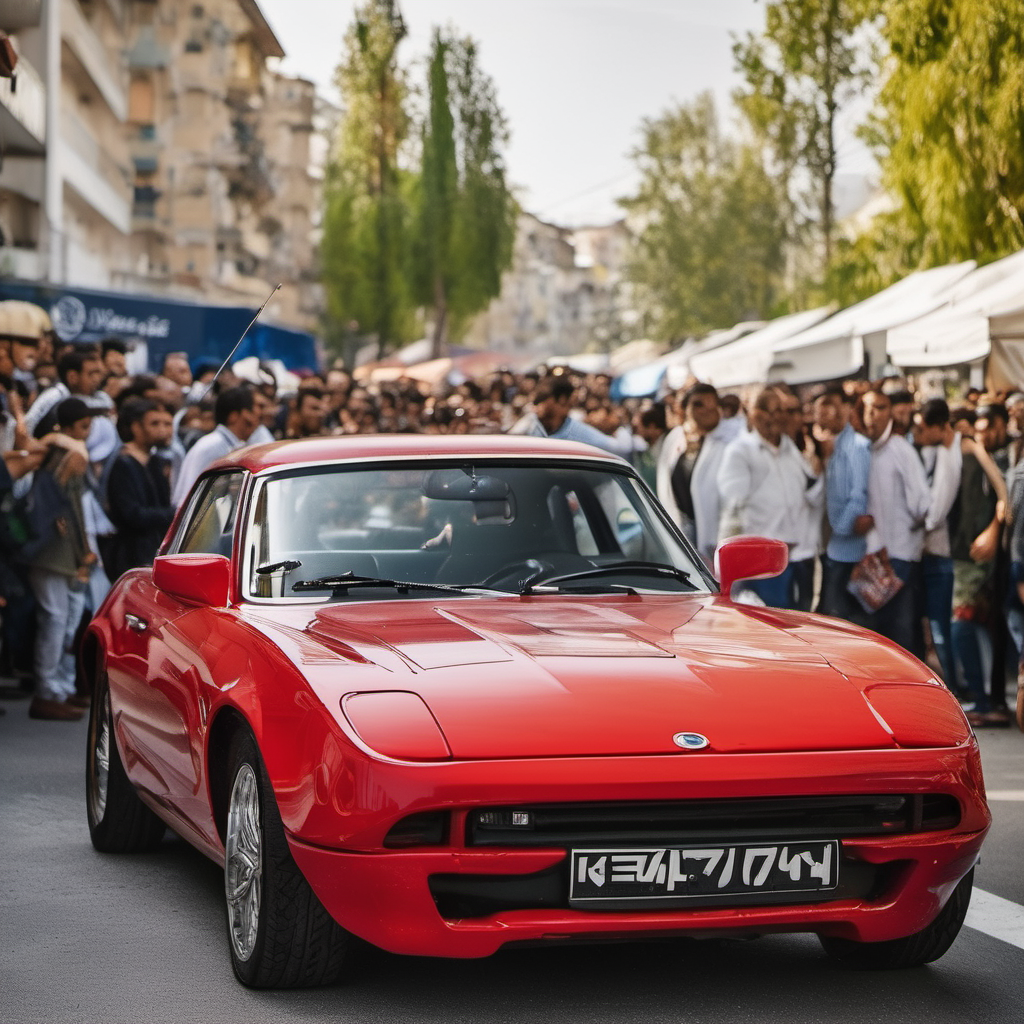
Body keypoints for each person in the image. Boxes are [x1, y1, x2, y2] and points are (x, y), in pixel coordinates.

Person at [25, 398, 100, 720]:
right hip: (53, 549)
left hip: (56, 550)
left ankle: (56, 686)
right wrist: (83, 548)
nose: (87, 433)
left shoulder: (59, 450)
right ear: (67, 428)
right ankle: (48, 690)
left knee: (62, 617)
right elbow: (71, 508)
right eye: (82, 427)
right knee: (56, 618)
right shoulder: (69, 455)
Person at [717, 387, 821, 607]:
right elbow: (733, 506)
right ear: (754, 414)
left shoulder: (790, 448)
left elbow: (811, 492)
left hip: (800, 555)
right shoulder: (740, 451)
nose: (781, 417)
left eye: (784, 411)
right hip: (765, 563)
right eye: (774, 411)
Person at [862, 389, 931, 656]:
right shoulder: (862, 450)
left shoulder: (901, 449)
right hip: (871, 558)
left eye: (879, 408)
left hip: (899, 555)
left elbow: (921, 504)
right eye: (868, 409)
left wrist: (910, 533)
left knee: (901, 637)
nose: (872, 415)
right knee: (877, 634)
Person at [912, 399, 963, 690]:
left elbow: (938, 508)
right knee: (940, 627)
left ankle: (953, 688)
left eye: (923, 428)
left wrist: (918, 527)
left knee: (941, 628)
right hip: (939, 552)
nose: (920, 434)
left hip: (939, 552)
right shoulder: (944, 451)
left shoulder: (949, 455)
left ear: (938, 427)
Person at [814, 385, 874, 622]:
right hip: (833, 547)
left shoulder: (857, 446)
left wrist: (840, 529)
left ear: (847, 409)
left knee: (844, 619)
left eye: (834, 405)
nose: (830, 412)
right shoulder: (832, 445)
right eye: (824, 405)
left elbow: (860, 495)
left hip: (847, 549)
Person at [105, 399, 175, 581]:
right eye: (154, 423)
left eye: (166, 423)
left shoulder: (156, 461)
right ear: (136, 427)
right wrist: (175, 513)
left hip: (154, 548)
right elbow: (133, 514)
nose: (162, 429)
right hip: (131, 555)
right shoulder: (124, 463)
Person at [172, 384, 259, 506]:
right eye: (251, 412)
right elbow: (187, 499)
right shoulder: (212, 446)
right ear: (234, 416)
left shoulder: (228, 444)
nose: (255, 420)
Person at [507, 374, 631, 456]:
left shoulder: (580, 435)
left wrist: (620, 428)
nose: (536, 405)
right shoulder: (528, 426)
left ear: (561, 400)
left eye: (543, 399)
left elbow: (619, 449)